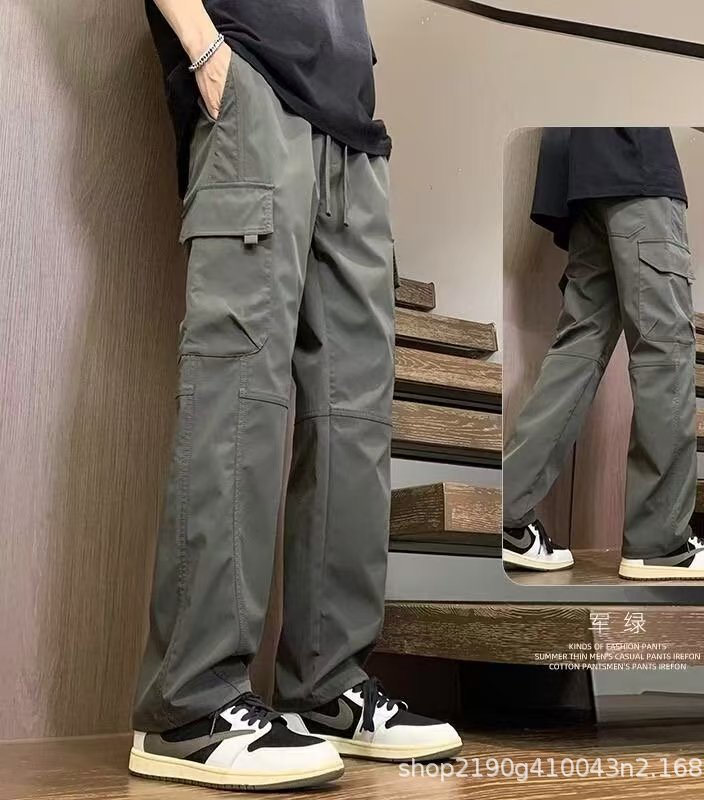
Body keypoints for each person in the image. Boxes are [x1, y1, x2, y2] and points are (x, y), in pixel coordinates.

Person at [129, 0, 462, 791]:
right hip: (253, 83)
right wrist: (204, 50)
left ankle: (326, 685)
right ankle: (190, 706)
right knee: (238, 395)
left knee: (355, 417)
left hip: (352, 124)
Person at [502, 128, 704, 582]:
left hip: (581, 176)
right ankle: (659, 543)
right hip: (635, 160)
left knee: (579, 346)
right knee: (665, 349)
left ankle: (506, 515)